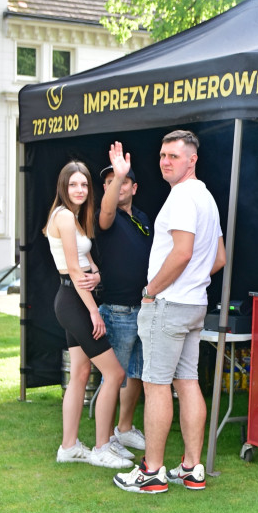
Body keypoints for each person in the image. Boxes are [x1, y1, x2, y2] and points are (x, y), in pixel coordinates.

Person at [113, 130, 225, 494]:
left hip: (169, 303)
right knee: (187, 382)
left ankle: (152, 471)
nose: (165, 161)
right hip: (194, 303)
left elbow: (182, 252)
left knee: (156, 385)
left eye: (173, 156)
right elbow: (218, 258)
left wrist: (151, 290)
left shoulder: (181, 197)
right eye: (162, 155)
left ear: (192, 159)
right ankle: (192, 468)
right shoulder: (206, 197)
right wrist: (189, 280)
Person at [44, 161, 134, 470]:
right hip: (74, 300)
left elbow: (84, 260)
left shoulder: (73, 216)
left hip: (75, 295)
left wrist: (95, 273)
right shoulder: (66, 216)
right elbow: (71, 267)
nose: (80, 189)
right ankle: (101, 448)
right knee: (114, 374)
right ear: (63, 187)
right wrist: (94, 311)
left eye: (84, 185)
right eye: (73, 185)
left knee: (81, 374)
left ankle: (69, 447)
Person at [95, 142, 153, 459]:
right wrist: (116, 174)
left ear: (135, 187)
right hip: (117, 311)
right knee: (113, 376)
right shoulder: (107, 218)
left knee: (137, 373)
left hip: (144, 309)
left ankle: (125, 429)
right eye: (108, 183)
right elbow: (105, 212)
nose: (115, 186)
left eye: (121, 180)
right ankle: (105, 441)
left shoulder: (143, 218)